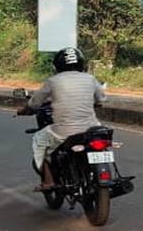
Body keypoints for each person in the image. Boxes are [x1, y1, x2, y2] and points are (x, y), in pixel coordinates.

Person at [21, 47, 107, 191]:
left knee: (39, 141)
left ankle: (48, 182)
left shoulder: (53, 81)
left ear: (57, 66)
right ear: (81, 64)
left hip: (65, 130)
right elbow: (102, 99)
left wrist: (23, 110)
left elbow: (34, 103)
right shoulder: (90, 78)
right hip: (91, 128)